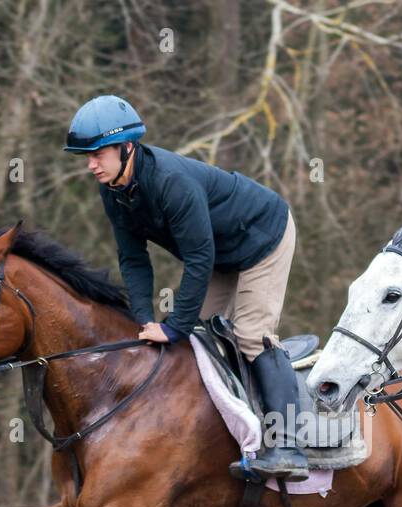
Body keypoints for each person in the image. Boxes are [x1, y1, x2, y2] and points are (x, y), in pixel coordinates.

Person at [63, 94, 308, 481]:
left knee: (249, 336)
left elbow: (198, 260)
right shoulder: (113, 191)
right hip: (218, 253)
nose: (91, 164)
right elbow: (133, 260)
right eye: (87, 156)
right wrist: (144, 319)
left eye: (98, 154)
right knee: (201, 342)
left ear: (127, 147)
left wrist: (174, 325)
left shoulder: (170, 183)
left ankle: (288, 445)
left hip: (264, 236)